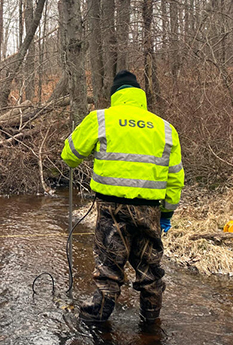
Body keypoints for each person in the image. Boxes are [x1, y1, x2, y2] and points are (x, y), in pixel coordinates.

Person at [61, 70, 184, 323]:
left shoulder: (101, 119)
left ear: (115, 95)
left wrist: (77, 135)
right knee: (150, 271)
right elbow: (175, 179)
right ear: (139, 95)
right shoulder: (166, 129)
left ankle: (97, 322)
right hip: (150, 211)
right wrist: (167, 213)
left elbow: (69, 156)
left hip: (112, 209)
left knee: (109, 268)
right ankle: (151, 324)